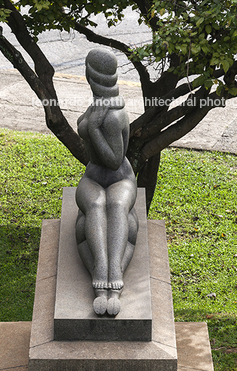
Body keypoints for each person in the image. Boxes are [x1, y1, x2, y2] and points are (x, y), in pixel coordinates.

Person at [75, 48, 138, 316]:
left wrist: (93, 130)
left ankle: (114, 271)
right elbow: (82, 126)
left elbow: (114, 160)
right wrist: (90, 124)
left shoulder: (113, 115)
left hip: (119, 177)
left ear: (90, 76)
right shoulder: (98, 106)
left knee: (115, 206)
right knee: (95, 205)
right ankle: (101, 269)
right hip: (93, 176)